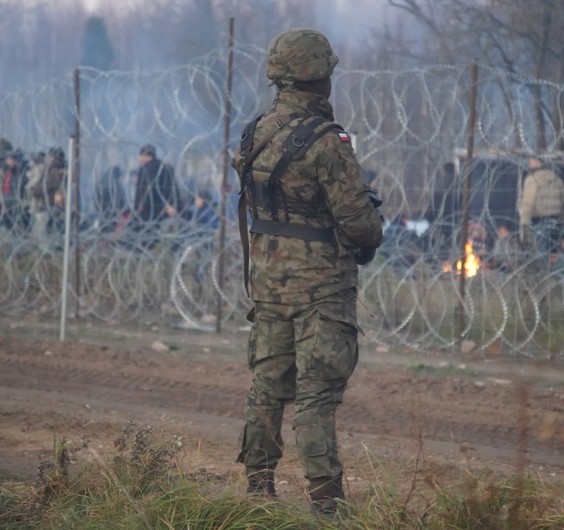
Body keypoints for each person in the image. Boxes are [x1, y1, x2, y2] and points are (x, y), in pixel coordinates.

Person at [231, 28, 383, 517]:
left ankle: (257, 491)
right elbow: (359, 222)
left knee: (267, 388)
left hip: (270, 284)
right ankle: (327, 505)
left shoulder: (256, 132)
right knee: (317, 395)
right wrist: (370, 233)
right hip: (322, 288)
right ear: (320, 78)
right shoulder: (327, 141)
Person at [133, 144, 180, 247]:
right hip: (163, 208)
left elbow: (146, 189)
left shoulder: (146, 169)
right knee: (160, 234)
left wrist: (140, 204)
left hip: (147, 209)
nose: (139, 158)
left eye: (140, 155)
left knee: (147, 235)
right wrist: (171, 204)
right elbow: (173, 187)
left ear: (146, 156)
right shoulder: (165, 167)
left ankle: (149, 254)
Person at [518, 157, 564, 255]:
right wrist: (561, 217)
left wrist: (524, 221)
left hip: (539, 218)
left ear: (538, 163)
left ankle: (544, 268)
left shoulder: (532, 179)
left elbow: (528, 202)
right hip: (555, 218)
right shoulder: (556, 178)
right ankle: (557, 268)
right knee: (554, 249)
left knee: (541, 251)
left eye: (531, 161)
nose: (529, 164)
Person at [30, 148, 67, 237]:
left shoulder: (59, 171)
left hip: (51, 205)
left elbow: (47, 185)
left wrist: (36, 190)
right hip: (45, 204)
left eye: (52, 156)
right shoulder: (49, 169)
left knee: (45, 232)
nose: (49, 158)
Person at [0, 150, 29, 233]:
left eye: (9, 159)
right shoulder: (7, 171)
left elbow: (21, 184)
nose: (7, 161)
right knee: (7, 222)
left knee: (17, 222)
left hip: (15, 200)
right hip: (6, 200)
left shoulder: (21, 171)